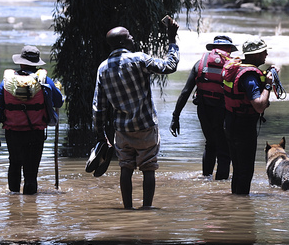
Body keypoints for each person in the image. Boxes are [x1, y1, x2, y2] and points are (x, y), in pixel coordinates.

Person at [92, 19, 179, 209]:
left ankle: (128, 209)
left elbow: (99, 106)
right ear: (124, 42)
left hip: (122, 130)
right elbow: (170, 66)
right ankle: (147, 209)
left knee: (126, 167)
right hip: (146, 126)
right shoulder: (139, 59)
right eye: (130, 36)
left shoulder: (103, 68)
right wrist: (171, 40)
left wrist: (101, 135)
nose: (133, 39)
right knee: (148, 167)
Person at [0, 45, 64, 195]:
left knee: (14, 165)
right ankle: (31, 210)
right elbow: (59, 102)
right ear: (36, 63)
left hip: (12, 133)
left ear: (20, 63)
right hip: (35, 133)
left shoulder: (7, 82)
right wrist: (57, 89)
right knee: (31, 172)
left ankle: (13, 204)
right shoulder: (44, 81)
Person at [170, 35, 237, 180]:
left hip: (204, 110)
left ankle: (206, 179)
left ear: (213, 49)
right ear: (229, 49)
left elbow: (185, 92)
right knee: (224, 151)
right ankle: (220, 188)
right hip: (223, 111)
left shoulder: (200, 64)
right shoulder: (233, 67)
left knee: (210, 144)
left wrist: (175, 117)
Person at [222, 37, 277, 195]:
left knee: (238, 169)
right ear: (254, 55)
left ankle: (235, 204)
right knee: (245, 171)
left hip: (230, 122)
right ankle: (241, 210)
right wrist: (267, 84)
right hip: (243, 127)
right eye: (263, 52)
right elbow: (259, 106)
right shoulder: (250, 76)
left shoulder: (238, 68)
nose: (266, 54)